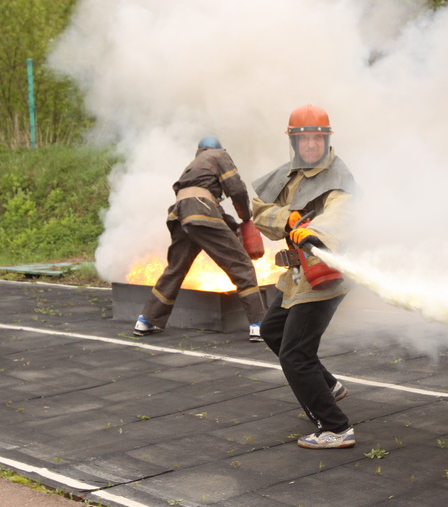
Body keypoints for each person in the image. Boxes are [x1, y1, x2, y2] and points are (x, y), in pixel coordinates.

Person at [252, 104, 357, 449]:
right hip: (298, 276)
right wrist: (289, 218)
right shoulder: (290, 174)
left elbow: (340, 215)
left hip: (326, 274)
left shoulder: (338, 178)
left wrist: (314, 232)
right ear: (294, 142)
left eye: (317, 138)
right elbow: (260, 209)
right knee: (272, 331)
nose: (311, 144)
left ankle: (336, 428)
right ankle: (328, 387)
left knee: (295, 355)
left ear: (326, 139)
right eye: (304, 138)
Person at [134, 136, 265, 342]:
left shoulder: (192, 167)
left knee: (175, 270)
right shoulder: (218, 155)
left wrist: (232, 227)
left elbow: (211, 209)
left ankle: (146, 320)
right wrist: (245, 217)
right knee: (242, 266)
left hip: (180, 216)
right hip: (199, 212)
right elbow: (236, 189)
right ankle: (258, 324)